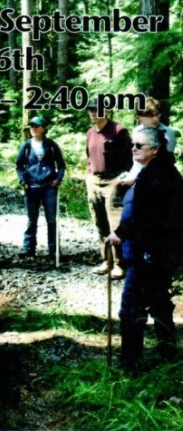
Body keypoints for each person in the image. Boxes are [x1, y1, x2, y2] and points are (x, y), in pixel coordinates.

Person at [106, 127, 183, 372]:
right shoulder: (156, 171)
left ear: (155, 149)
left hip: (148, 254)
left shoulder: (158, 175)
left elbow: (143, 215)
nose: (133, 148)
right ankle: (168, 352)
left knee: (131, 308)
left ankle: (129, 364)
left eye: (139, 145)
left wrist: (119, 233)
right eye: (133, 144)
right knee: (159, 302)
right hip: (155, 253)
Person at [85, 100, 132, 279]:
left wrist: (122, 178)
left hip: (113, 180)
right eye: (91, 110)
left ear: (107, 111)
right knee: (100, 222)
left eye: (97, 110)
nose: (93, 113)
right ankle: (107, 261)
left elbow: (129, 157)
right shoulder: (90, 133)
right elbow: (89, 156)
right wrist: (89, 175)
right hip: (94, 180)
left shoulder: (118, 131)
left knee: (115, 224)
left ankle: (120, 263)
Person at [16, 116, 66, 260]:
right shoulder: (26, 145)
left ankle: (54, 251)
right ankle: (28, 249)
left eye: (37, 126)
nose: (33, 129)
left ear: (43, 128)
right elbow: (19, 166)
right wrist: (22, 181)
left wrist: (57, 179)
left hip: (49, 187)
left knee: (51, 219)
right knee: (32, 219)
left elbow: (61, 165)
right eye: (32, 126)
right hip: (31, 187)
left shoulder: (51, 145)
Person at [119, 97, 177, 186]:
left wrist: (136, 178)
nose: (155, 119)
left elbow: (165, 163)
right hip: (139, 177)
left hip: (159, 179)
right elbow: (137, 162)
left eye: (157, 115)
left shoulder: (167, 133)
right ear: (139, 117)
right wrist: (130, 175)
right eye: (151, 116)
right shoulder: (136, 131)